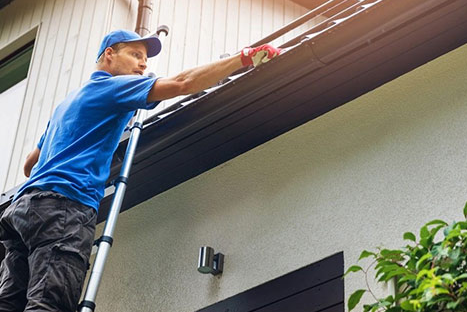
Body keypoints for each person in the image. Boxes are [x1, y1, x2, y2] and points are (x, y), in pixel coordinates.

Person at [0, 29, 281, 312]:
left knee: (10, 304)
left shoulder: (67, 104)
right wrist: (243, 58)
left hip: (23, 211)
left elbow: (28, 165)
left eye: (145, 58)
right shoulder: (112, 88)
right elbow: (182, 82)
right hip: (63, 208)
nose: (143, 64)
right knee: (50, 304)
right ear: (109, 55)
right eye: (135, 55)